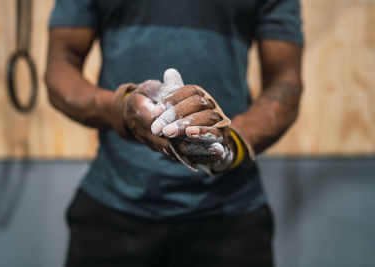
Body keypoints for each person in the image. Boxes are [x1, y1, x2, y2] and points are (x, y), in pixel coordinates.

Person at [45, 0, 303, 266]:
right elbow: (60, 64)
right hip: (113, 209)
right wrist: (120, 109)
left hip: (231, 215)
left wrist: (231, 144)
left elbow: (285, 81)